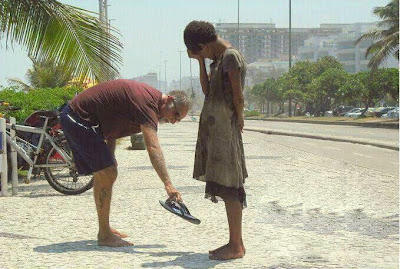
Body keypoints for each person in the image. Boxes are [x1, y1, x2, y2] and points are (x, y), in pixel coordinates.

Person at [59, 79, 191, 247]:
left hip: (82, 119)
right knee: (107, 172)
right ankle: (104, 234)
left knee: (107, 171)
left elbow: (112, 126)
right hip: (76, 116)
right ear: (169, 100)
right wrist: (168, 185)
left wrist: (110, 155)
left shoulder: (150, 103)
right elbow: (153, 147)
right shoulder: (148, 104)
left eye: (178, 120)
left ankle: (104, 228)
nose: (174, 121)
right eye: (176, 114)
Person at [184, 21, 248, 260]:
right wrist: (201, 61)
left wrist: (239, 118)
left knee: (230, 187)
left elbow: (238, 94)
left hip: (226, 132)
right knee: (225, 185)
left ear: (203, 44)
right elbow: (208, 92)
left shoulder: (230, 57)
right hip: (218, 131)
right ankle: (236, 242)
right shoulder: (218, 59)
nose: (203, 56)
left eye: (200, 52)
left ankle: (236, 246)